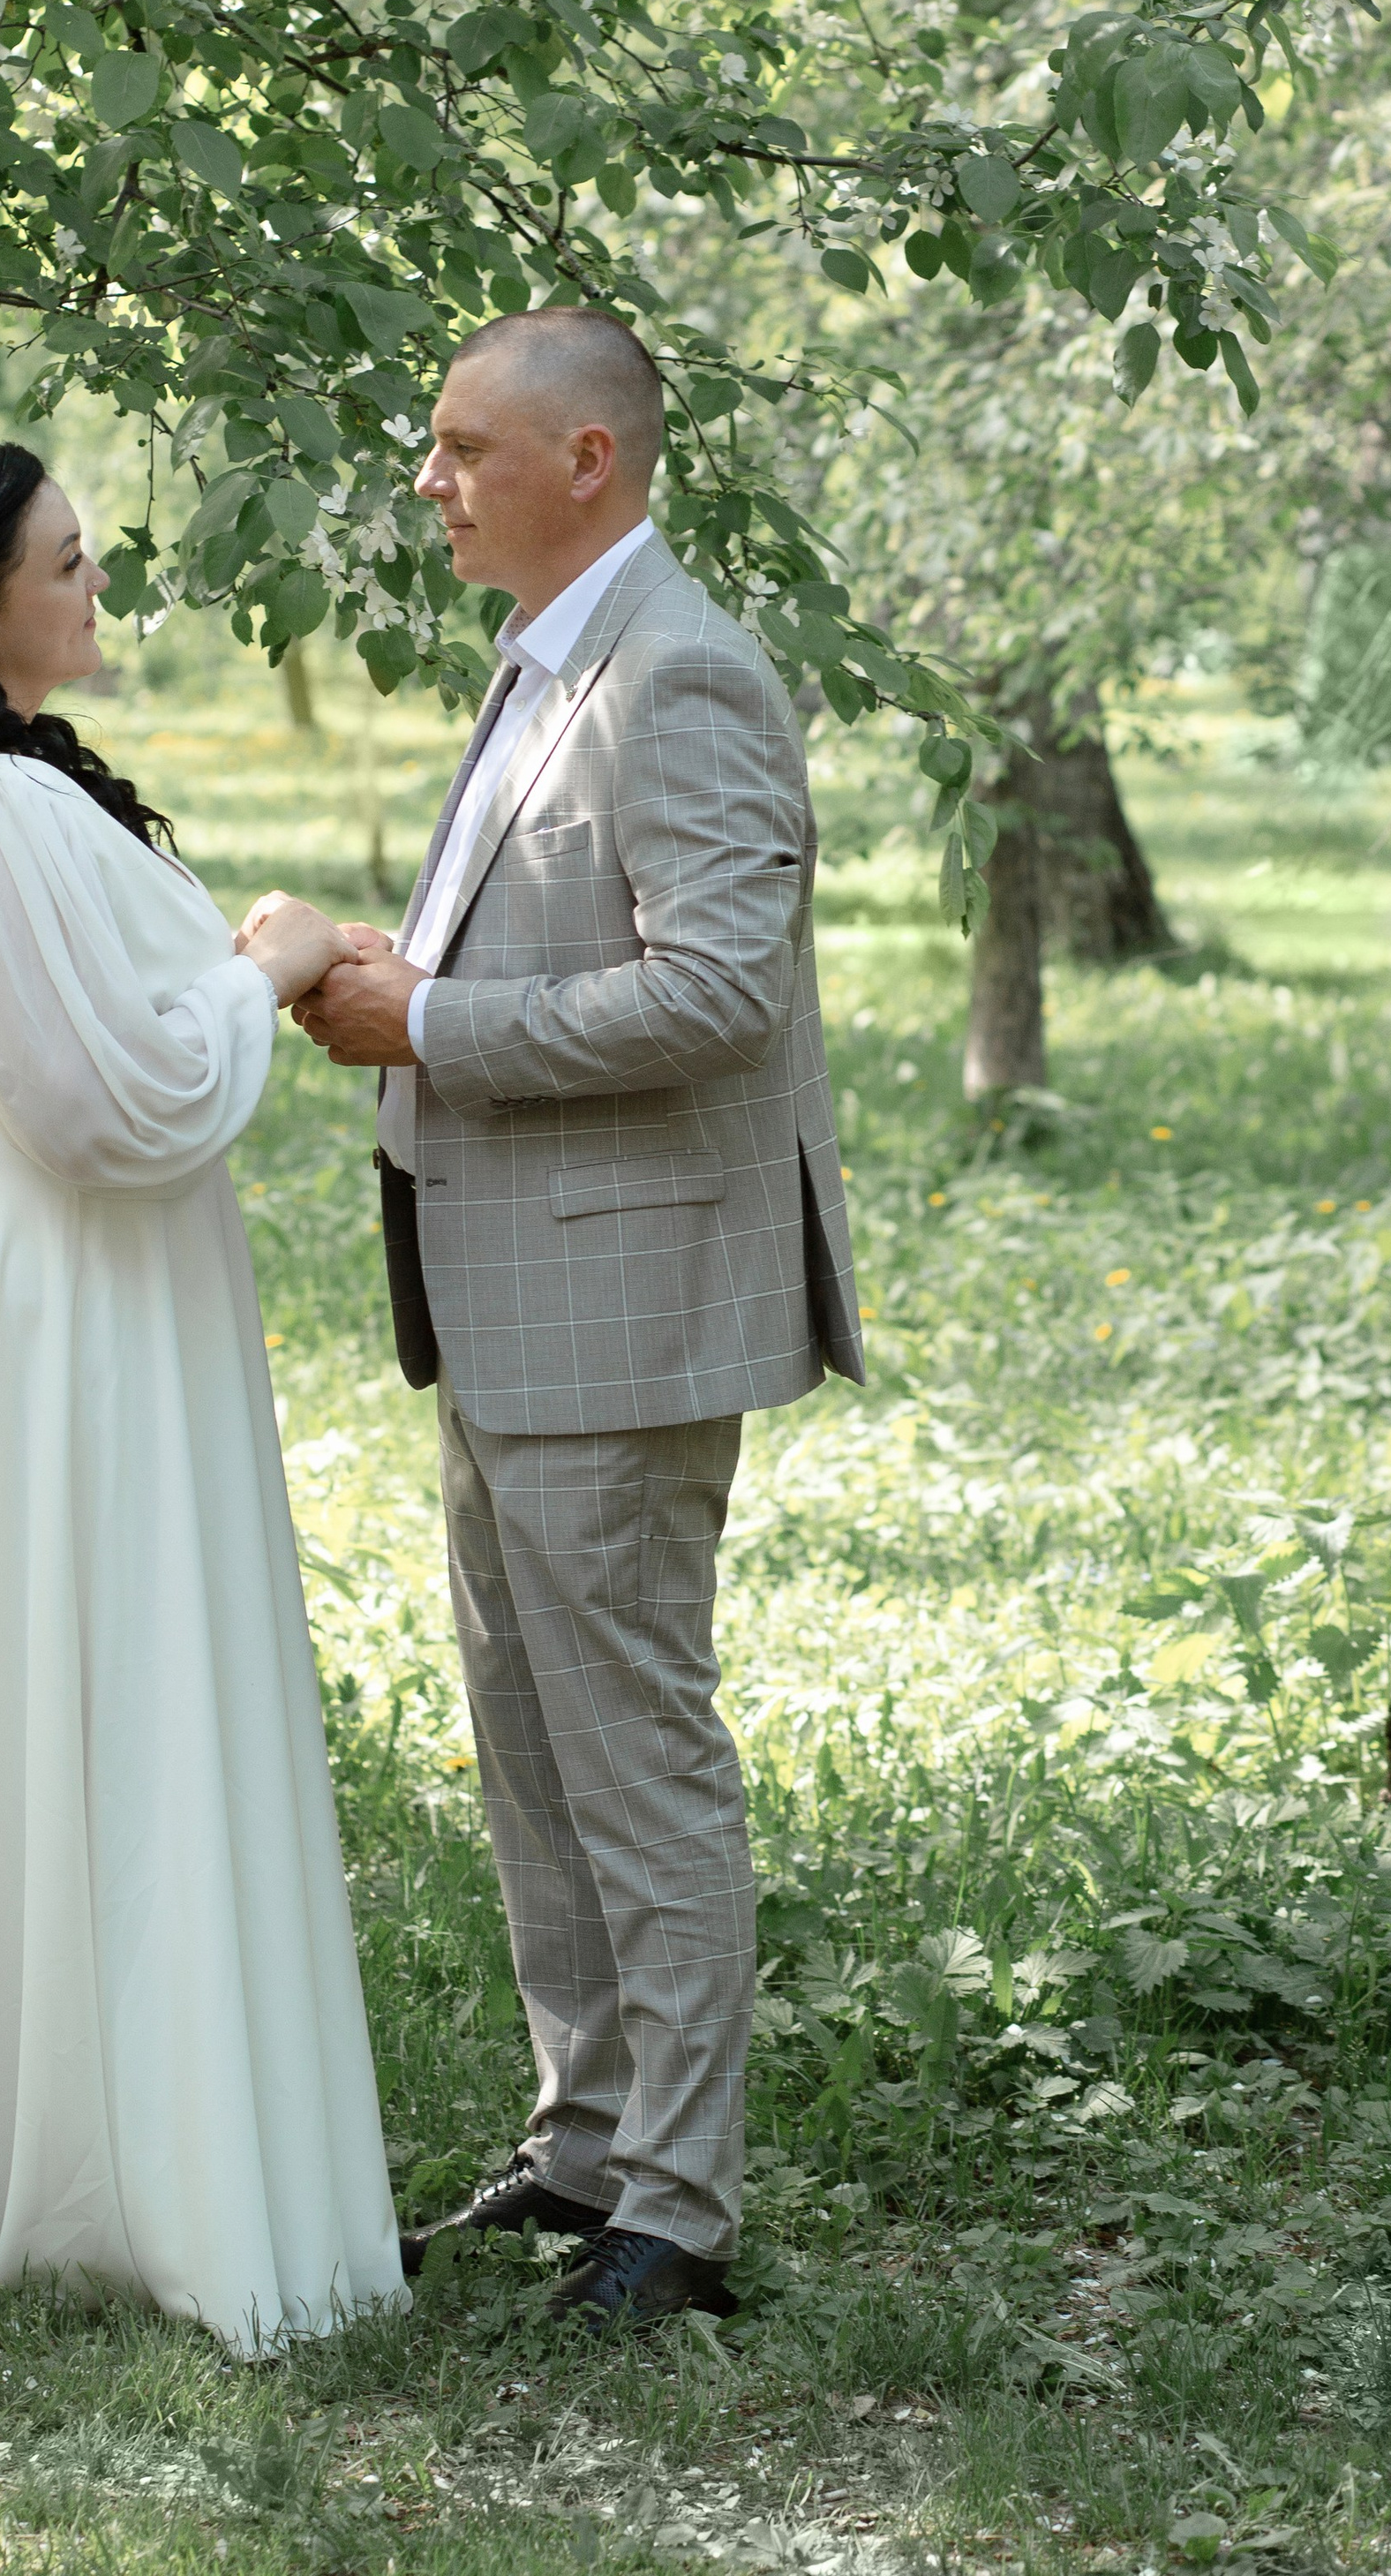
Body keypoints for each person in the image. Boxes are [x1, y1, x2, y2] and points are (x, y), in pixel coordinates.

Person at [0, 442, 402, 2352]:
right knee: (90, 1692)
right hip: (59, 1320)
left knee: (32, 1714)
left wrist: (214, 969)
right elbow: (108, 1110)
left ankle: (68, 2126)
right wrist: (262, 967)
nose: (93, 576)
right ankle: (116, 2163)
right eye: (63, 560)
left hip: (15, 1305)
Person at [282, 307, 862, 2330]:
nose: (427, 480)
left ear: (587, 460)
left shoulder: (678, 670)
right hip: (506, 1299)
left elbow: (720, 989)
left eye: (458, 448)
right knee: (532, 1748)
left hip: (618, 1313)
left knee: (632, 1755)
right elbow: (566, 934)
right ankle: (586, 2138)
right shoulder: (551, 660)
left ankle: (679, 2219)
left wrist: (427, 1020)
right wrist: (400, 965)